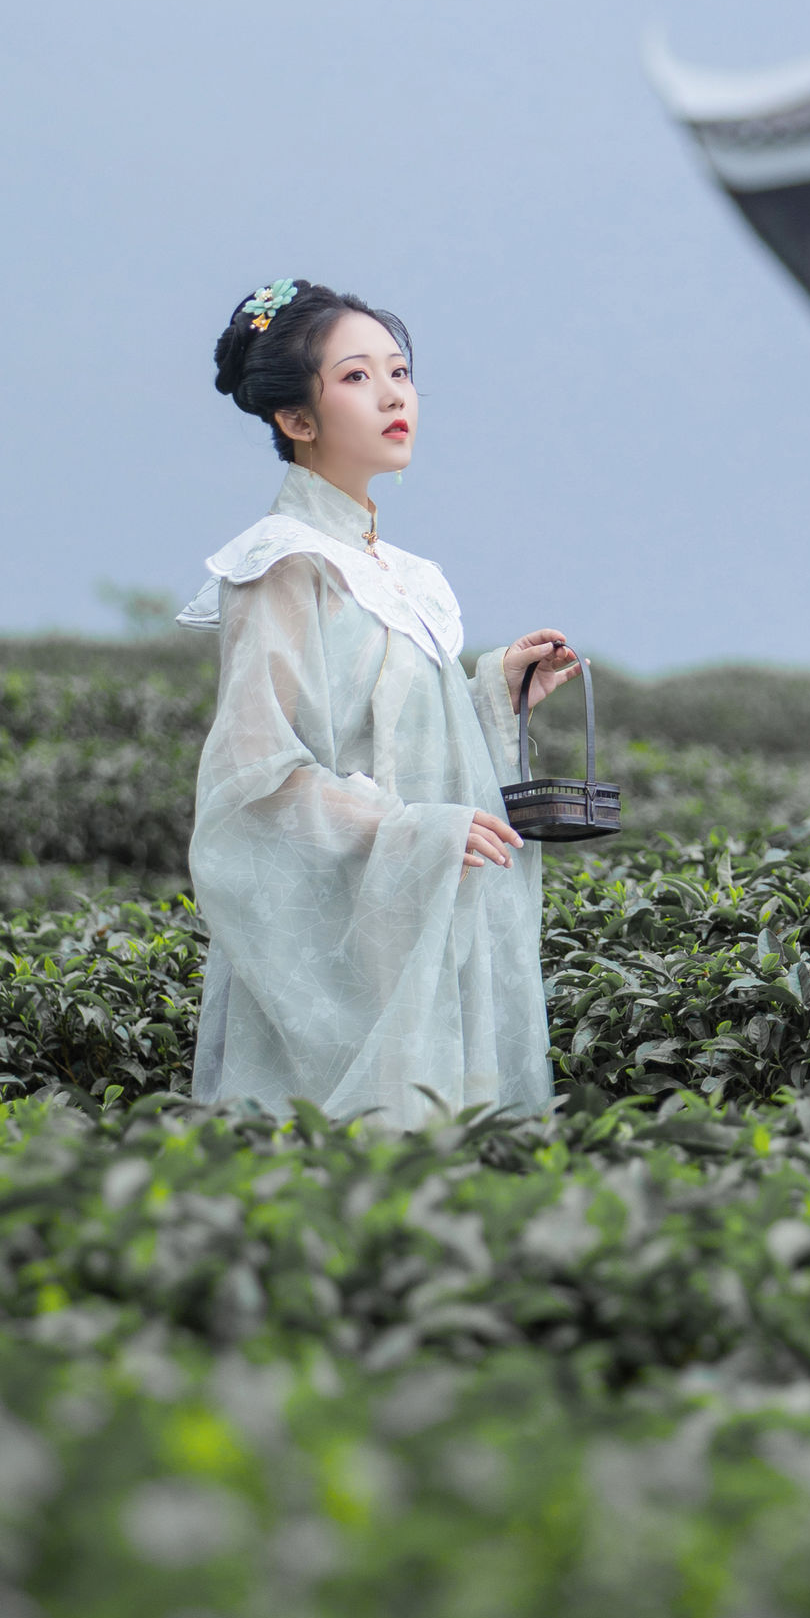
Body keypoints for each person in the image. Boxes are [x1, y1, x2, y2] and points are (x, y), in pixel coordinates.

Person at [177, 277, 578, 1125]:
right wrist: (408, 831)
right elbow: (257, 776)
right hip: (344, 937)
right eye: (356, 377)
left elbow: (406, 741)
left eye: (399, 371)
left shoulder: (413, 578)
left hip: (427, 921)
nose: (395, 394)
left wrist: (495, 692)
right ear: (297, 420)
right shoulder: (283, 564)